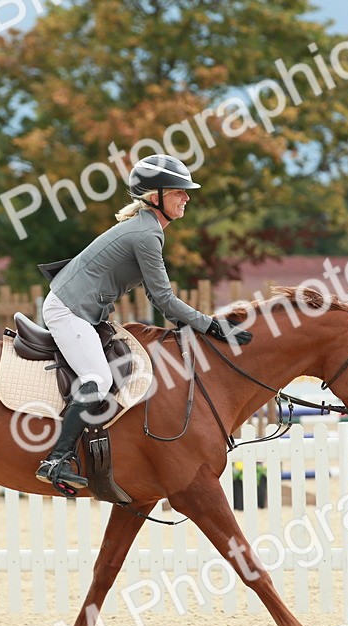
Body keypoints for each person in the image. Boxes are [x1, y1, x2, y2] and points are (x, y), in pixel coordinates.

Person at [35, 154, 253, 493]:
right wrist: (211, 326)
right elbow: (164, 298)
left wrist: (195, 325)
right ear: (156, 197)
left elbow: (156, 298)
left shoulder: (146, 228)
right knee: (98, 378)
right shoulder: (146, 234)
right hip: (69, 311)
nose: (186, 197)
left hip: (82, 310)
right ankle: (56, 460)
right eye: (179, 191)